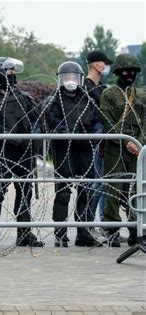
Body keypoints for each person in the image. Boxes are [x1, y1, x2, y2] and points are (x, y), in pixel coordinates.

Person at [0, 57, 44, 248]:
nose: (13, 74)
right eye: (9, 71)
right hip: (5, 151)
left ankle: (24, 233)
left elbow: (37, 120)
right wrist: (18, 138)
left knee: (25, 192)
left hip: (26, 152)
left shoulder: (25, 97)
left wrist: (33, 137)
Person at [46, 61, 103, 247]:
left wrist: (94, 135)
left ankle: (83, 233)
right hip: (64, 150)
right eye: (66, 77)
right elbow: (53, 120)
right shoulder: (54, 100)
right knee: (63, 192)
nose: (70, 81)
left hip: (85, 150)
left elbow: (98, 121)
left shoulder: (88, 99)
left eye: (73, 77)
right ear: (60, 79)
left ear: (79, 79)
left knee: (85, 191)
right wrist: (68, 136)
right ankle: (60, 234)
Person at [100, 53, 144, 247]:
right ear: (118, 72)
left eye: (133, 71)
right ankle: (112, 230)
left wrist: (139, 143)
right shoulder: (109, 94)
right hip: (115, 148)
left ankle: (137, 229)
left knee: (136, 189)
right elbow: (107, 120)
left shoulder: (141, 94)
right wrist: (125, 141)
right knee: (113, 190)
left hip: (137, 148)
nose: (130, 75)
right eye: (126, 71)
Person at [84, 50, 113, 227]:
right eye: (104, 63)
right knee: (97, 183)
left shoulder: (102, 88)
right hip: (93, 141)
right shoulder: (84, 87)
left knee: (104, 183)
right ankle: (86, 224)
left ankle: (104, 224)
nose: (106, 66)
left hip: (105, 139)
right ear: (96, 64)